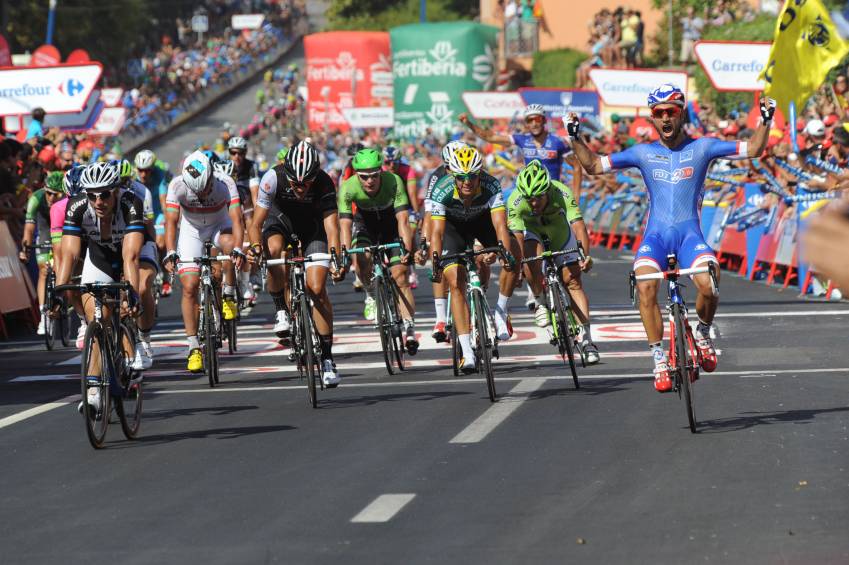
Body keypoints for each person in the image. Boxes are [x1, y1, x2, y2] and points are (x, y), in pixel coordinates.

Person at [565, 84, 774, 392]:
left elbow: (753, 149)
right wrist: (574, 137)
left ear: (681, 113)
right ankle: (659, 358)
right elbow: (594, 165)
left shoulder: (702, 147)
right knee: (646, 285)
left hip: (690, 236)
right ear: (652, 117)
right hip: (656, 237)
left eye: (671, 112)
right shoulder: (643, 152)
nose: (665, 118)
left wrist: (766, 120)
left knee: (710, 283)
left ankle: (702, 333)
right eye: (658, 113)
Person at [249, 141, 344, 386]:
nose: (300, 188)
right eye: (295, 183)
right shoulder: (272, 178)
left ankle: (327, 358)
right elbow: (255, 224)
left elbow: (332, 227)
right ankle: (281, 308)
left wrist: (336, 258)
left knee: (317, 288)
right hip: (279, 221)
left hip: (312, 228)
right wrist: (255, 247)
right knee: (274, 250)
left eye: (306, 183)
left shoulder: (324, 182)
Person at [418, 146, 518, 373]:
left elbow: (500, 225)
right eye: (461, 177)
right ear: (452, 174)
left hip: (482, 222)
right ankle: (467, 351)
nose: (467, 182)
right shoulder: (441, 189)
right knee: (454, 279)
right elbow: (436, 232)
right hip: (453, 228)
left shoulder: (491, 185)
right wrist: (435, 261)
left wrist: (503, 251)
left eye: (472, 176)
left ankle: (500, 312)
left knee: (513, 248)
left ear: (479, 174)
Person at [54, 162, 144, 413]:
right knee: (98, 317)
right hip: (100, 258)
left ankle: (134, 342)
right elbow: (69, 253)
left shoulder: (130, 203)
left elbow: (131, 257)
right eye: (92, 195)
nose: (98, 201)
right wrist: (59, 291)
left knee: (130, 302)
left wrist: (131, 292)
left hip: (127, 253)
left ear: (115, 191)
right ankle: (94, 392)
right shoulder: (78, 206)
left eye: (104, 194)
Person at [507, 160, 600, 364]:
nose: (533, 203)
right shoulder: (515, 200)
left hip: (560, 233)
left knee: (573, 281)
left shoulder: (561, 192)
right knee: (529, 258)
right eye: (529, 199)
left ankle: (587, 340)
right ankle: (539, 300)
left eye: (538, 198)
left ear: (548, 190)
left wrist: (585, 255)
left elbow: (578, 226)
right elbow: (517, 239)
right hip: (533, 234)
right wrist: (519, 268)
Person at [162, 151, 246, 373]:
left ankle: (228, 292)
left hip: (220, 225)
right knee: (189, 287)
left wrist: (238, 248)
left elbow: (238, 219)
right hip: (191, 231)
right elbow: (171, 223)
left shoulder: (225, 182)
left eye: (205, 188)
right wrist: (170, 251)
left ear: (211, 177)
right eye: (196, 190)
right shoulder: (177, 185)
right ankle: (193, 347)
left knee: (229, 244)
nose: (201, 194)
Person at [338, 147, 420, 355]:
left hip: (391, 227)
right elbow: (345, 226)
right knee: (362, 257)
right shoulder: (348, 187)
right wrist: (345, 254)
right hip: (365, 226)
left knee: (400, 275)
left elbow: (403, 219)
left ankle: (409, 328)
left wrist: (407, 248)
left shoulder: (393, 181)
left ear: (381, 171)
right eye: (364, 177)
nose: (369, 181)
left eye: (374, 175)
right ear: (356, 174)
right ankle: (370, 294)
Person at [422, 140, 466, 342]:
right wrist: (425, 241)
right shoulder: (438, 176)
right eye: (448, 166)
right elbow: (430, 212)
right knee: (437, 259)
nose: (451, 171)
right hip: (446, 221)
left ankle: (477, 298)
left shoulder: (471, 176)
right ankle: (440, 318)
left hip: (470, 220)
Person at [19, 168, 65, 334]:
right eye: (49, 193)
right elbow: (29, 229)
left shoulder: (67, 199)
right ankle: (43, 313)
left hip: (63, 227)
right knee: (44, 270)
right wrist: (25, 249)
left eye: (56, 194)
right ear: (44, 190)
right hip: (46, 228)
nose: (52, 198)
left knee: (64, 264)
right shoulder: (36, 198)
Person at [228, 136, 262, 304]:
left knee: (250, 236)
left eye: (240, 153)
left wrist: (257, 219)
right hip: (230, 206)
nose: (236, 157)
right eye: (233, 153)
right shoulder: (223, 166)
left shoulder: (250, 167)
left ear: (245, 153)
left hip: (246, 203)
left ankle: (250, 276)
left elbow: (255, 194)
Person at [134, 149, 172, 294]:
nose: (143, 174)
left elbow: (164, 200)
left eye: (147, 171)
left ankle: (165, 277)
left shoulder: (159, 175)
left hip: (157, 214)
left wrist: (167, 219)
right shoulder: (133, 177)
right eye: (140, 170)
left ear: (153, 168)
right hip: (141, 214)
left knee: (161, 243)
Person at [383, 145, 421, 289]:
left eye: (395, 163)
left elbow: (412, 194)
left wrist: (416, 213)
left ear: (400, 161)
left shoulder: (407, 170)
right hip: (389, 207)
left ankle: (411, 267)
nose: (391, 166)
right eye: (387, 163)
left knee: (409, 233)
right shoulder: (381, 172)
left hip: (407, 206)